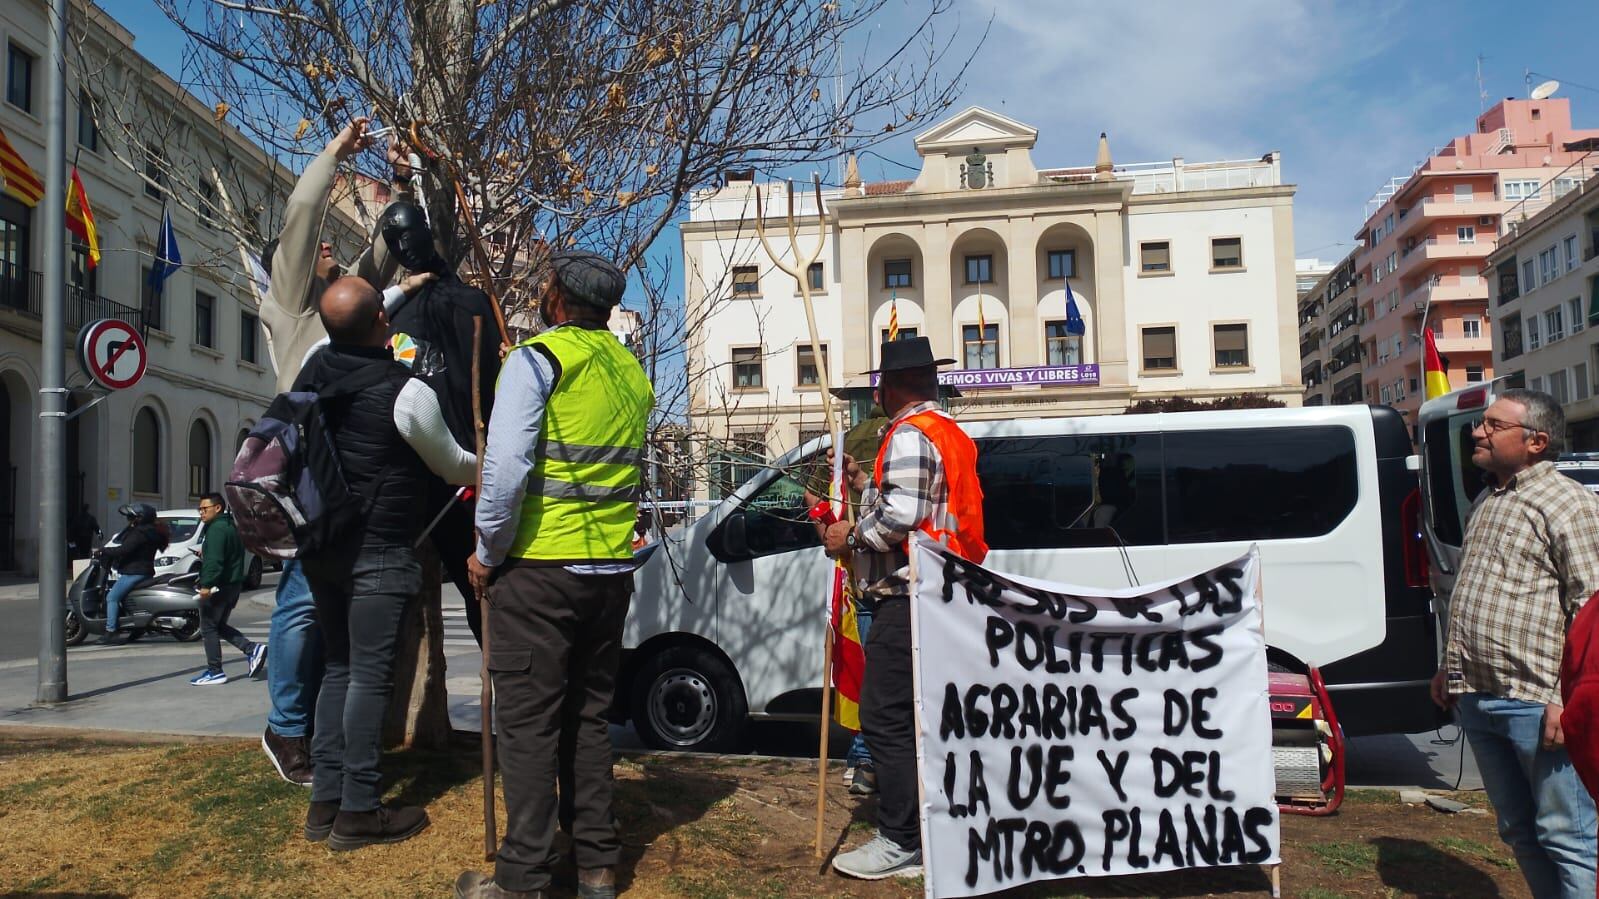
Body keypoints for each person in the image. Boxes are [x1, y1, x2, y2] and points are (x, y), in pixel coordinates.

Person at [455, 251, 653, 899]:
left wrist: (486, 551)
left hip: (538, 572)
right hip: (607, 575)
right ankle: (596, 865)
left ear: (556, 297)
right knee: (587, 718)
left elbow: (506, 470)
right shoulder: (631, 372)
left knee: (528, 725)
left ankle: (522, 879)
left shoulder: (535, 361)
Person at [256, 117, 416, 787]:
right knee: (298, 600)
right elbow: (300, 215)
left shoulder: (346, 299)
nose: (326, 246)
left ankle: (322, 732)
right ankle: (285, 728)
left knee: (332, 615)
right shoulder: (293, 304)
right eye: (314, 248)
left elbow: (384, 254)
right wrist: (333, 153)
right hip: (313, 475)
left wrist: (402, 177)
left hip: (361, 474)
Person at [296, 277, 478, 851]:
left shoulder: (311, 369)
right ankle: (359, 811)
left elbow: (350, 316)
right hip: (378, 552)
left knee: (338, 670)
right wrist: (493, 459)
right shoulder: (408, 392)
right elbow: (451, 466)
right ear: (383, 321)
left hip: (322, 550)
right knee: (370, 677)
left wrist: (399, 289)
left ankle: (325, 802)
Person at [819, 337, 986, 881]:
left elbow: (901, 518)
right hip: (939, 593)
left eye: (878, 386)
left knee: (884, 718)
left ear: (890, 387)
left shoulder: (911, 434)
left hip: (905, 597)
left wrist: (848, 535)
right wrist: (865, 485)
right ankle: (926, 833)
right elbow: (918, 501)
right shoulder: (946, 433)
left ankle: (899, 840)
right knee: (919, 721)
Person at [1431, 388, 1599, 898]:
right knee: (1520, 830)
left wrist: (1563, 699)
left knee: (1568, 836)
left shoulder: (1568, 504)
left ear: (1536, 441)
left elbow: (1592, 607)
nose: (1477, 433)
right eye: (1480, 423)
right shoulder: (1489, 498)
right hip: (1479, 697)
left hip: (1538, 704)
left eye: (1493, 425)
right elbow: (1475, 591)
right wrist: (1448, 667)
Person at [380, 199, 504, 646]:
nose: (403, 248)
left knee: (483, 590)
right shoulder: (397, 315)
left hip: (467, 465)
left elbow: (491, 380)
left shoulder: (469, 303)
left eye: (408, 236)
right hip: (433, 468)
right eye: (394, 242)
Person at [190, 493, 267, 686]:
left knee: (208, 627)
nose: (201, 513)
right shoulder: (230, 526)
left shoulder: (216, 530)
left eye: (204, 509)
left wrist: (206, 586)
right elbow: (227, 553)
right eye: (199, 509)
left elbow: (215, 562)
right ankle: (252, 650)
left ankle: (215, 671)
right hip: (233, 585)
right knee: (219, 626)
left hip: (219, 586)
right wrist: (205, 551)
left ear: (217, 508)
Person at [96, 504, 169, 645]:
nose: (129, 520)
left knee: (112, 597)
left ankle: (111, 631)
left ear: (140, 518)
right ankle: (137, 627)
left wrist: (104, 551)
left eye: (131, 517)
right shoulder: (150, 531)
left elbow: (125, 550)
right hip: (144, 571)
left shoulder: (139, 533)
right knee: (125, 598)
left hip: (134, 572)